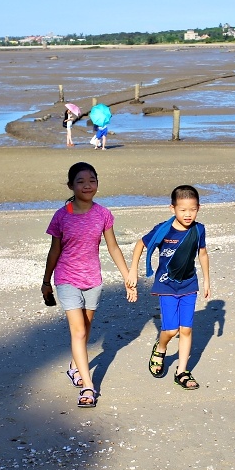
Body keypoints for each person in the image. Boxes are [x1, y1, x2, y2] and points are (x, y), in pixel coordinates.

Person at [42, 161, 137, 407]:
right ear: (71, 185)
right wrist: (46, 282)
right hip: (66, 278)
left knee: (86, 327)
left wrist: (128, 276)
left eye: (92, 180)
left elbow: (113, 247)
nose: (87, 185)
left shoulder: (103, 214)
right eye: (81, 181)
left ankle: (75, 365)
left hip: (93, 279)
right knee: (79, 332)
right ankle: (88, 386)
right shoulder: (61, 216)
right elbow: (54, 251)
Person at [127, 185, 210, 390]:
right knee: (171, 330)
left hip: (189, 284)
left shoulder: (198, 230)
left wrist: (207, 280)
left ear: (198, 208)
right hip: (166, 285)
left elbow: (203, 254)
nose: (188, 214)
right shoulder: (164, 230)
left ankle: (181, 371)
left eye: (192, 209)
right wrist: (132, 270)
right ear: (172, 208)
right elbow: (140, 244)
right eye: (183, 210)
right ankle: (161, 347)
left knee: (187, 329)